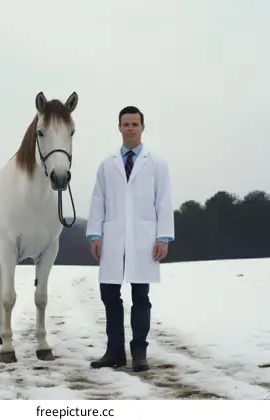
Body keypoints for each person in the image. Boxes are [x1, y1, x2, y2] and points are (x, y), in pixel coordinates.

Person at [85, 105, 175, 372]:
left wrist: (163, 237)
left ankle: (139, 352)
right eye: (126, 124)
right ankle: (114, 351)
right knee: (109, 294)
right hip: (113, 237)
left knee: (141, 296)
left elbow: (164, 200)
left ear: (143, 127)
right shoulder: (107, 164)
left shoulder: (156, 163)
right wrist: (95, 234)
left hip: (143, 238)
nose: (131, 128)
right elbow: (98, 200)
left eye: (135, 124)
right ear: (119, 127)